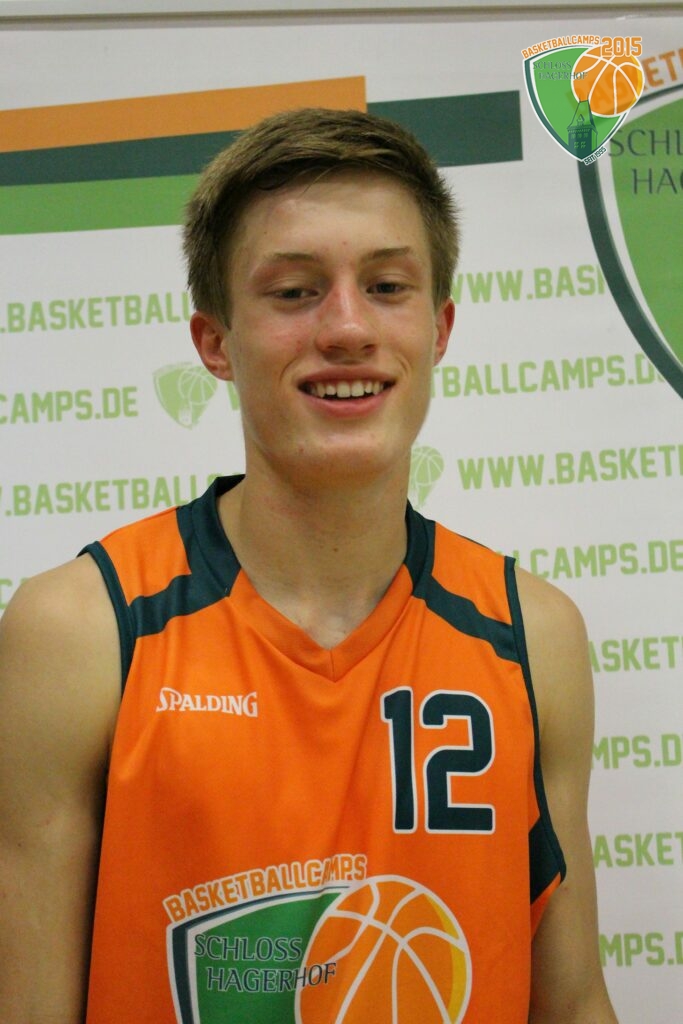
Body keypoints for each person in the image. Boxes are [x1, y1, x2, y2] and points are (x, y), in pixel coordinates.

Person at [0, 107, 617, 1023]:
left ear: (439, 328)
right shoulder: (82, 629)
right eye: (293, 292)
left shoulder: (533, 635)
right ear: (215, 342)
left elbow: (572, 1002)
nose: (347, 327)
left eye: (387, 286)